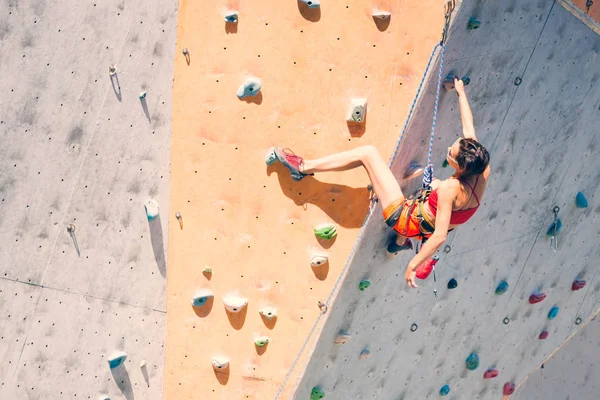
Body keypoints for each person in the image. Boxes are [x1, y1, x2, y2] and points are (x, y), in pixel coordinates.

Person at [268, 78, 490, 289]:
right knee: (435, 186)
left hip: (405, 218)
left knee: (368, 154)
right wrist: (461, 94)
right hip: (424, 224)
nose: (449, 149)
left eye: (450, 152)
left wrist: (412, 266)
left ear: (459, 166)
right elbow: (468, 130)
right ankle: (399, 242)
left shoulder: (451, 190)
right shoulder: (481, 168)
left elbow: (440, 236)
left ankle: (303, 168)